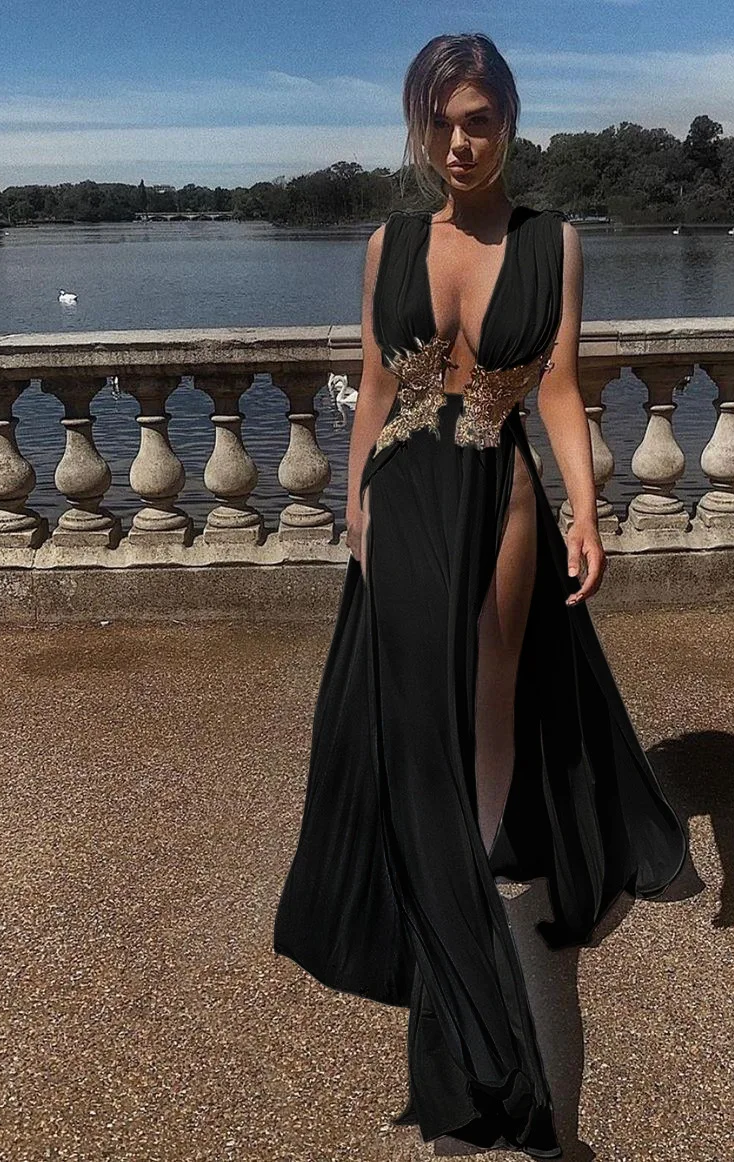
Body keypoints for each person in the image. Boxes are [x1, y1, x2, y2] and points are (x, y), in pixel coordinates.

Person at [273, 33, 687, 1161]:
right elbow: (374, 383)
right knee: (414, 717)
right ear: (421, 128)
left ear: (508, 121)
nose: (460, 144)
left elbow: (557, 388)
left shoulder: (553, 242)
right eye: (441, 123)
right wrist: (355, 502)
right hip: (401, 497)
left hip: (497, 495)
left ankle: (488, 866)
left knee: (490, 701)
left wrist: (586, 513)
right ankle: (445, 902)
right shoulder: (389, 244)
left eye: (479, 121)